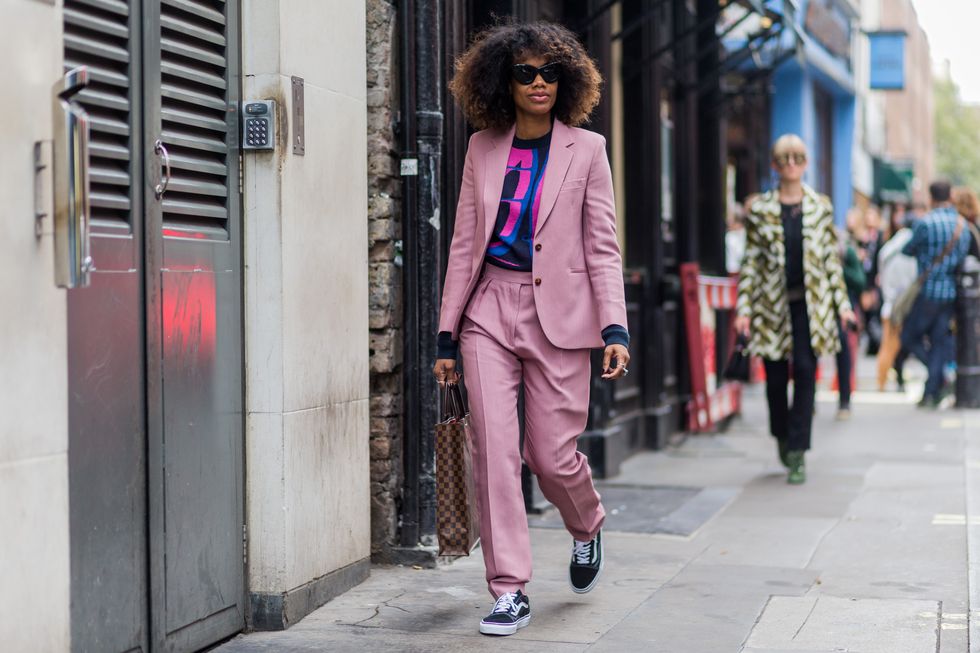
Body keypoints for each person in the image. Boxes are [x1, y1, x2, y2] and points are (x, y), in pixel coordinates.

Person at [432, 21, 630, 637]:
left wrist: (615, 327)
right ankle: (509, 588)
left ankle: (587, 521)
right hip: (489, 309)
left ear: (565, 78)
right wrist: (446, 333)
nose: (539, 81)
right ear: (504, 81)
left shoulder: (588, 150)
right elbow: (465, 244)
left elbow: (602, 247)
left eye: (550, 71)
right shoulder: (481, 148)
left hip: (563, 319)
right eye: (525, 72)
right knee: (493, 449)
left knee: (550, 455)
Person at [734, 134, 856, 484]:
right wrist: (744, 309)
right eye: (784, 158)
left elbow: (831, 264)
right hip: (772, 308)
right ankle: (782, 435)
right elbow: (751, 263)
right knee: (774, 379)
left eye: (798, 157)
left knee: (805, 371)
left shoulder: (821, 207)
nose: (791, 164)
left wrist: (843, 307)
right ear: (774, 165)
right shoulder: (759, 211)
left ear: (805, 163)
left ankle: (799, 451)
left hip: (810, 307)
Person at [901, 180, 972, 408]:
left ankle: (937, 379)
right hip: (950, 293)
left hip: (928, 291)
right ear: (950, 195)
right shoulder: (961, 225)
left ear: (931, 198)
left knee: (909, 337)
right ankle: (933, 389)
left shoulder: (925, 223)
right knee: (939, 343)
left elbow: (908, 249)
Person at [876, 214, 917, 391]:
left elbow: (879, 276)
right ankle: (892, 380)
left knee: (887, 345)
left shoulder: (888, 248)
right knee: (897, 345)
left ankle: (882, 383)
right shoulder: (912, 250)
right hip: (904, 305)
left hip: (888, 303)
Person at [835, 223, 866, 419]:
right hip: (817, 307)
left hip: (842, 308)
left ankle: (845, 400)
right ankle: (808, 401)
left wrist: (840, 270)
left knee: (843, 350)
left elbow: (860, 282)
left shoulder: (847, 252)